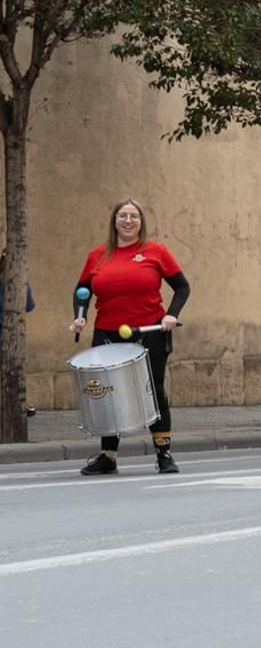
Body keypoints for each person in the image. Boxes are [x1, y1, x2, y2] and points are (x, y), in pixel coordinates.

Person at [72, 199, 191, 475]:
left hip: (147, 331)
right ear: (114, 221)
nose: (128, 221)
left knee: (153, 390)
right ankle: (108, 457)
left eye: (134, 216)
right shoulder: (97, 256)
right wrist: (80, 317)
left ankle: (164, 454)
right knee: (107, 394)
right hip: (107, 332)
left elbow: (182, 287)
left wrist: (170, 315)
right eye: (123, 216)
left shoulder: (156, 251)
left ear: (141, 221)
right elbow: (82, 291)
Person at [0, 248, 37, 417]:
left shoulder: (20, 282)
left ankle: (17, 403)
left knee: (12, 370)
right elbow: (29, 306)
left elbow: (28, 305)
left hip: (10, 336)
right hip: (6, 334)